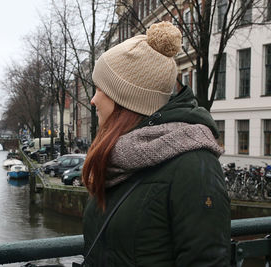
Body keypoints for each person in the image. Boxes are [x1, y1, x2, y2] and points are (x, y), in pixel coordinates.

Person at [82, 21, 230, 266]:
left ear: (126, 99)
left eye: (100, 89)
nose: (93, 100)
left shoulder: (194, 167)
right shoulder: (118, 159)